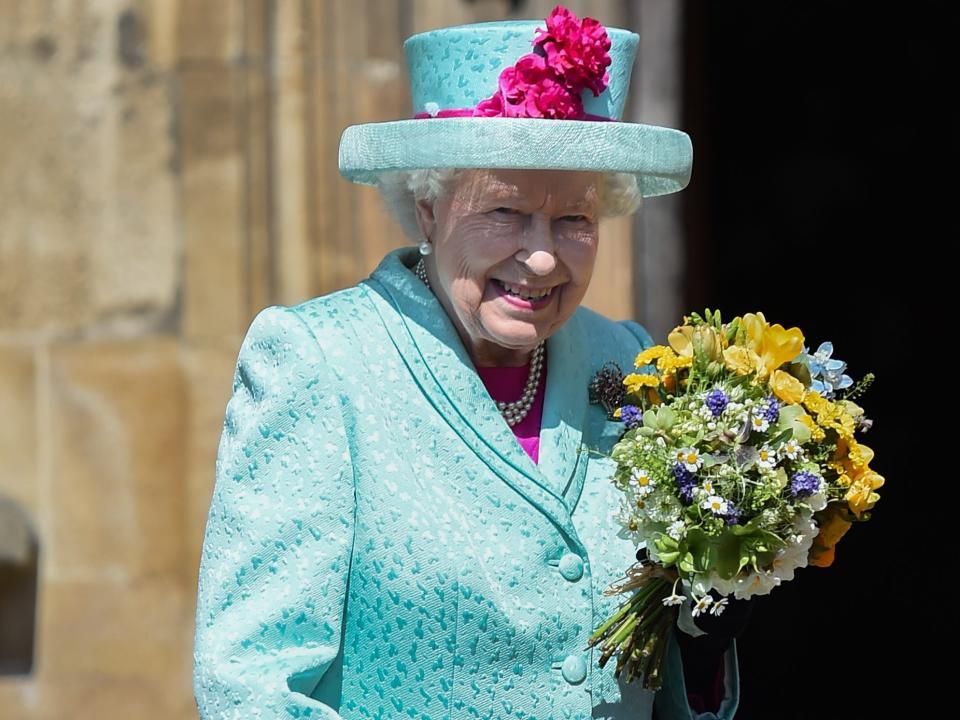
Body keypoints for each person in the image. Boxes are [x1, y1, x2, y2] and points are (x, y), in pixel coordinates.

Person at [192, 5, 747, 719]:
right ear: (428, 207)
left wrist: (700, 640)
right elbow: (252, 688)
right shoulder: (320, 363)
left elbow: (658, 679)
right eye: (506, 212)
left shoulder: (629, 360)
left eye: (574, 218)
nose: (542, 256)